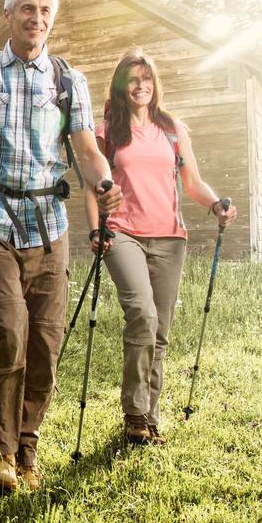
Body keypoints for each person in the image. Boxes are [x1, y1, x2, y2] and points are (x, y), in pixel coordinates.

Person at [0, 0, 121, 492]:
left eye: (44, 10)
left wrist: (104, 182)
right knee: (7, 329)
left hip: (49, 226)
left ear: (52, 18)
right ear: (7, 14)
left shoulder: (68, 82)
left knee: (44, 343)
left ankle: (26, 449)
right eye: (26, 8)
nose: (35, 18)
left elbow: (87, 153)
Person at [85, 49, 236, 445]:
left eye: (146, 79)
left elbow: (193, 182)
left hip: (170, 236)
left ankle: (150, 417)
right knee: (142, 314)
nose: (141, 86)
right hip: (123, 234)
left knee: (161, 330)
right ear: (122, 86)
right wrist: (94, 230)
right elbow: (92, 187)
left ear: (155, 84)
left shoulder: (172, 129)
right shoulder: (108, 132)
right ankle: (135, 413)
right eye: (133, 80)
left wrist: (216, 202)